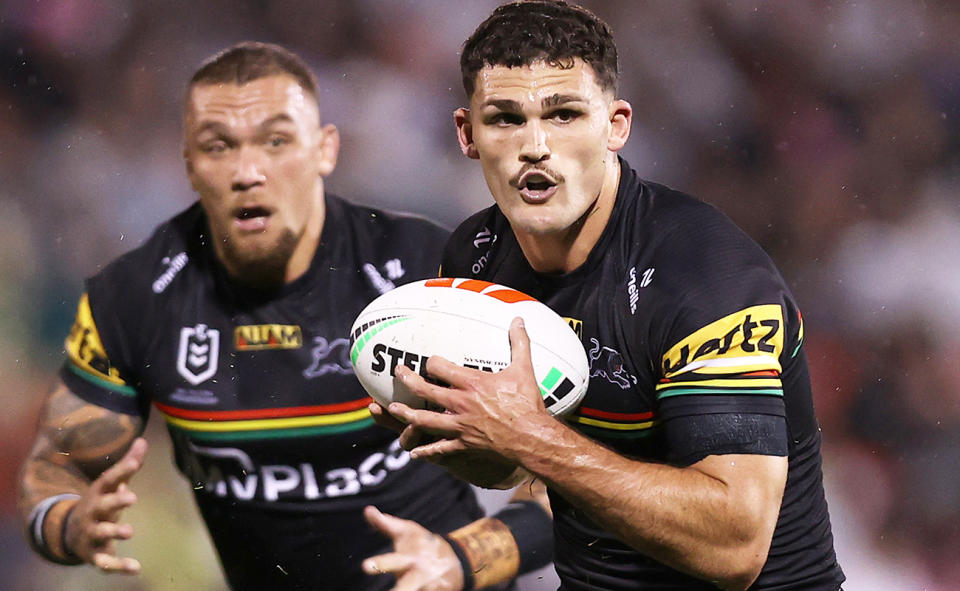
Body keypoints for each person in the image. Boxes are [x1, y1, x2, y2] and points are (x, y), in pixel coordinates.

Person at [17, 42, 552, 591]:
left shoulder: (427, 272)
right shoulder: (134, 297)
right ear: (188, 163)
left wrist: (462, 560)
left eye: (276, 141)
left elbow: (570, 469)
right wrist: (66, 524)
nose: (248, 171)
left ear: (325, 150)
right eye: (218, 146)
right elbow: (54, 468)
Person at [374, 2, 847, 590]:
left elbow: (735, 545)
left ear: (616, 126)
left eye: (565, 114)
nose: (535, 146)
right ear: (468, 135)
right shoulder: (476, 261)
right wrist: (463, 546)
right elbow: (550, 476)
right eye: (505, 119)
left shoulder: (704, 276)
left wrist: (528, 435)